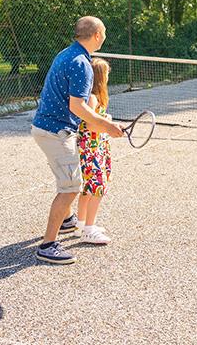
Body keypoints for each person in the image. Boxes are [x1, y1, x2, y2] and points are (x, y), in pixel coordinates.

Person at [30, 16, 124, 265]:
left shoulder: (67, 53)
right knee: (71, 186)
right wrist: (108, 126)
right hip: (55, 132)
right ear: (96, 35)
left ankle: (67, 220)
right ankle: (48, 245)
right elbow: (78, 106)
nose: (104, 36)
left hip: (48, 128)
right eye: (103, 32)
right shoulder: (82, 63)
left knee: (69, 179)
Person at [75, 57, 114, 245]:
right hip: (89, 149)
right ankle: (89, 230)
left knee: (89, 189)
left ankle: (81, 225)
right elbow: (90, 125)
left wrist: (109, 124)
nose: (108, 76)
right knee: (97, 186)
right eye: (106, 73)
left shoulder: (97, 97)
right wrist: (109, 127)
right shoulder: (91, 98)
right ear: (100, 76)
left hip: (97, 146)